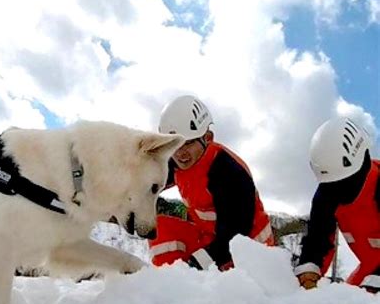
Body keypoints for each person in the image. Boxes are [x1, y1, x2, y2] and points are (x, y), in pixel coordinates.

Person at [149, 95, 274, 271]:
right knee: (160, 228)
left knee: (204, 267)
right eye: (174, 145)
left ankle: (202, 286)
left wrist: (198, 262)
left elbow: (236, 233)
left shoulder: (228, 171)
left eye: (189, 143)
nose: (180, 153)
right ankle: (170, 282)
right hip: (212, 238)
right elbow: (150, 181)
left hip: (248, 248)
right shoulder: (177, 163)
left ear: (207, 137)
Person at [295, 116, 380, 293]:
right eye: (331, 186)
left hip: (375, 275)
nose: (337, 192)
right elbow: (318, 239)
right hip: (370, 269)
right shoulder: (326, 196)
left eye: (343, 183)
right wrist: (309, 271)